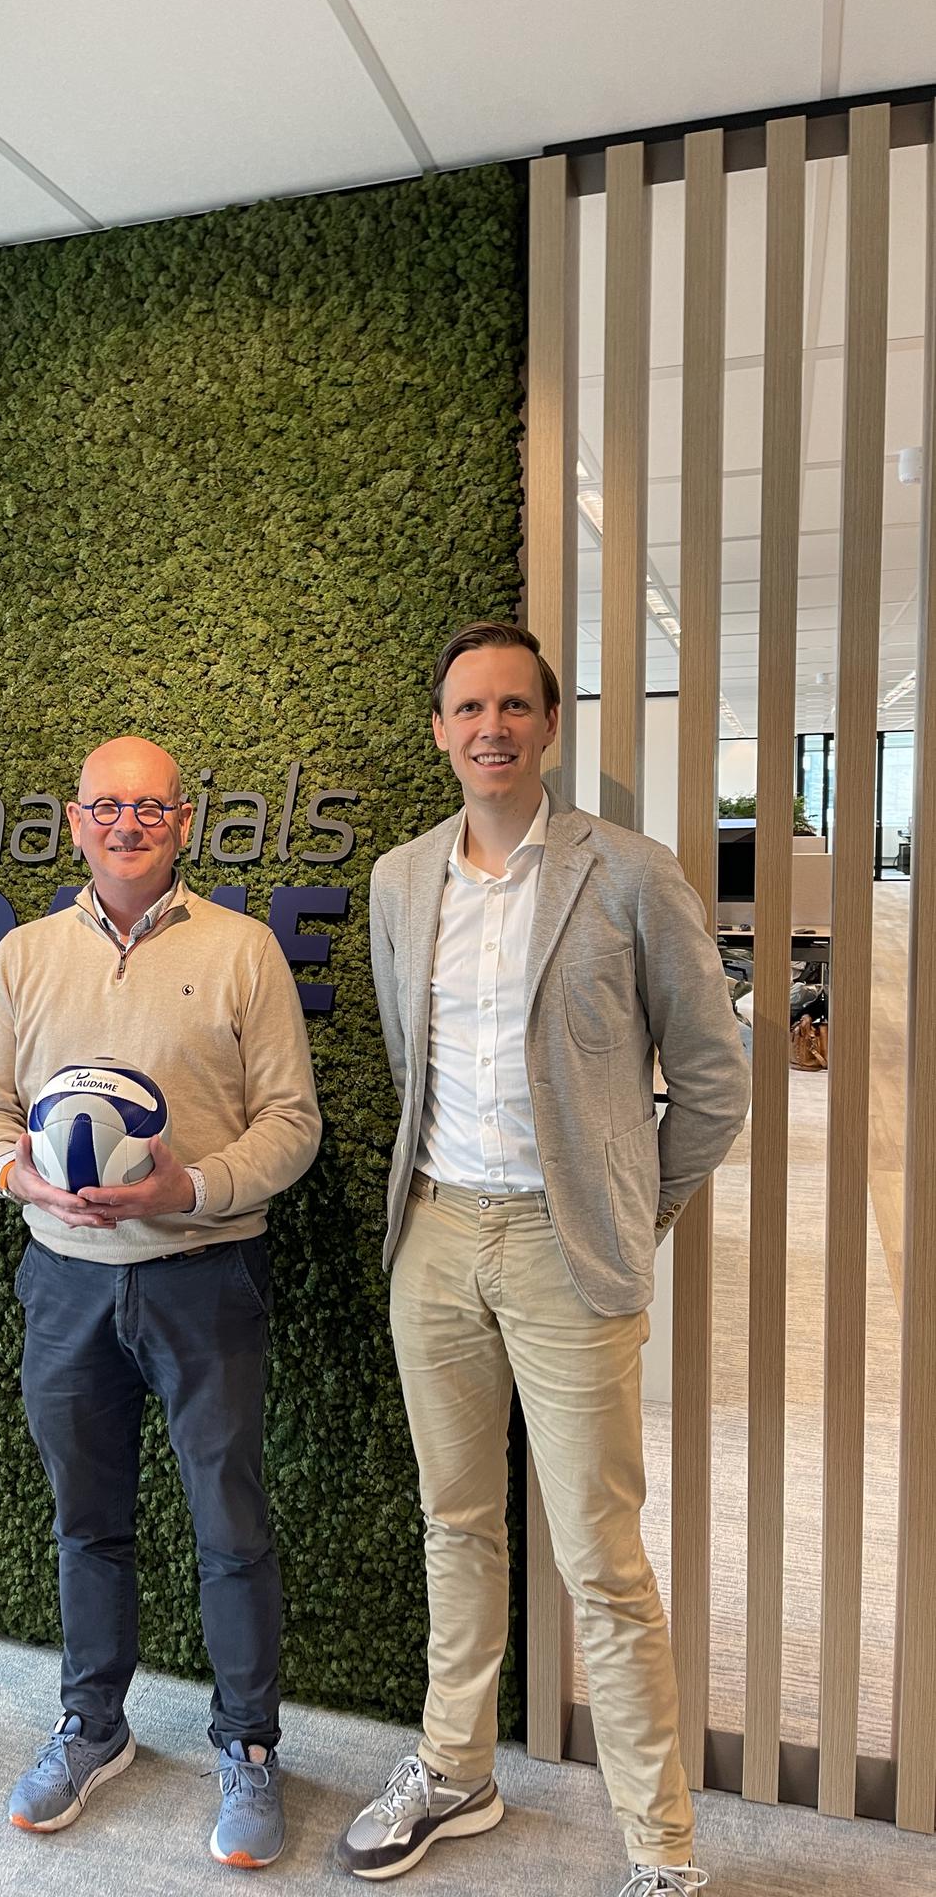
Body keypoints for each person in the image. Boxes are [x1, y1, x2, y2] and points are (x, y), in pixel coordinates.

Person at [338, 622, 749, 1896]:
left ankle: (660, 1849)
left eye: (515, 705)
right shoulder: (402, 880)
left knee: (602, 1560)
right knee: (456, 1521)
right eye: (469, 707)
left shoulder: (630, 874)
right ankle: (456, 1767)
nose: (492, 727)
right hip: (436, 1235)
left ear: (550, 726)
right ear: (439, 729)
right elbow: (409, 1061)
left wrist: (629, 1211)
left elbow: (714, 1079)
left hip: (570, 1251)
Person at [0, 736, 320, 1870]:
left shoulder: (244, 950)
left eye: (150, 807)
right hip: (64, 1279)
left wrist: (189, 1189)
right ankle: (93, 1727)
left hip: (205, 1276)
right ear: (75, 821)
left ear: (183, 821)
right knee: (87, 1520)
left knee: (230, 1523)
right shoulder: (24, 956)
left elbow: (292, 1123)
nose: (128, 824)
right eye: (107, 806)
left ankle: (248, 1745)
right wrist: (19, 1176)